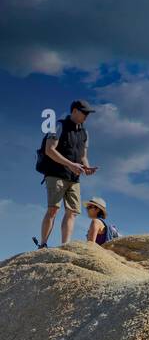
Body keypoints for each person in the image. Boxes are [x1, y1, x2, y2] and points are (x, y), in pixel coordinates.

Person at [34, 100, 98, 249]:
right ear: (74, 111)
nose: (87, 116)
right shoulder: (58, 126)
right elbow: (50, 150)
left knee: (73, 211)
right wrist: (70, 164)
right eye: (84, 112)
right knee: (53, 209)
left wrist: (87, 168)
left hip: (74, 178)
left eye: (88, 113)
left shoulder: (84, 133)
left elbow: (83, 156)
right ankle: (43, 245)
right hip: (55, 174)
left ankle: (65, 246)